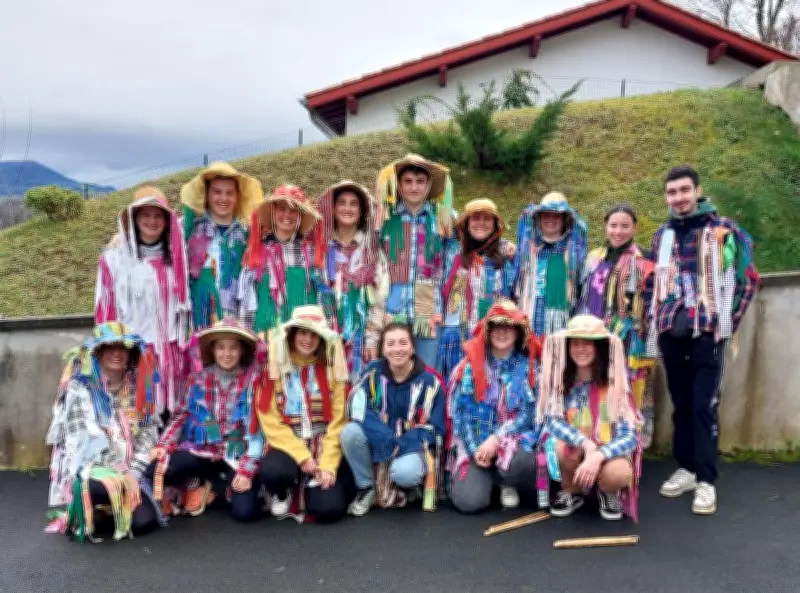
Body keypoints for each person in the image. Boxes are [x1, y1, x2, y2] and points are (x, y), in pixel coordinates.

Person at [644, 164, 759, 515]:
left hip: (707, 333)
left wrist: (726, 323)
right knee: (681, 404)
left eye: (684, 190)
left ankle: (707, 479)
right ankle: (687, 468)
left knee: (703, 405)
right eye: (671, 192)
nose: (678, 198)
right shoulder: (661, 235)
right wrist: (658, 321)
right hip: (671, 333)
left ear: (697, 190)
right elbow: (652, 282)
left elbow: (747, 279)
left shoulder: (724, 231)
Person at [44, 322, 168, 542]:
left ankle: (108, 511)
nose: (117, 353)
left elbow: (148, 431)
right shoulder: (79, 387)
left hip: (132, 469)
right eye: (109, 347)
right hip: (96, 467)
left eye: (122, 348)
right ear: (98, 352)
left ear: (130, 353)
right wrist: (122, 473)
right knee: (99, 487)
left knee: (143, 523)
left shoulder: (139, 384)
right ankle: (96, 506)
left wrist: (134, 473)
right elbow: (87, 441)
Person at [149, 317, 267, 521]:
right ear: (212, 350)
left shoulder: (253, 380)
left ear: (242, 351)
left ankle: (238, 488)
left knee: (245, 512)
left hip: (236, 453)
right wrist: (164, 444)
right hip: (203, 451)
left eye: (233, 348)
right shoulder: (198, 378)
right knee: (159, 468)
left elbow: (259, 430)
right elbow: (181, 414)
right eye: (221, 347)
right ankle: (196, 484)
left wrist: (247, 470)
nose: (227, 354)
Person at [94, 186, 191, 417]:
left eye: (158, 215)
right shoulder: (114, 260)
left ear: (168, 221)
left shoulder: (177, 260)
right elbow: (105, 312)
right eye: (145, 214)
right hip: (135, 353)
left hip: (172, 351)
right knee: (137, 416)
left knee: (171, 415)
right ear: (134, 218)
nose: (152, 221)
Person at [536, 314, 643, 522]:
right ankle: (572, 490)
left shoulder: (615, 385)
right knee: (557, 447)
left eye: (587, 343)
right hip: (576, 449)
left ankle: (607, 491)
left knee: (619, 472)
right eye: (575, 343)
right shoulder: (561, 382)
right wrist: (584, 443)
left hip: (605, 454)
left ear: (598, 348)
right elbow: (553, 421)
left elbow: (629, 436)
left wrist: (598, 455)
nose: (581, 349)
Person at [254, 305, 355, 523]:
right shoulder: (274, 369)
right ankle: (283, 490)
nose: (307, 340)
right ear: (292, 335)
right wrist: (302, 455)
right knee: (274, 473)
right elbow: (270, 421)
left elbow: (339, 422)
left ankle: (313, 489)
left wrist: (328, 463)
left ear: (321, 338)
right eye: (302, 332)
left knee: (329, 510)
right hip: (288, 444)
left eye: (314, 334)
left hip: (323, 442)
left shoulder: (333, 370)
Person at [340, 322, 447, 516]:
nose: (397, 349)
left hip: (411, 444)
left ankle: (406, 485)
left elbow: (436, 427)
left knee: (406, 473)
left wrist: (403, 443)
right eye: (390, 343)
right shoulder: (371, 374)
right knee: (350, 433)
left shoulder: (431, 382)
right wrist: (386, 437)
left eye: (402, 343)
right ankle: (367, 488)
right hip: (379, 438)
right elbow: (358, 409)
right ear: (383, 348)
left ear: (412, 347)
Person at [447, 300, 542, 514]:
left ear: (518, 333)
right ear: (488, 332)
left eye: (508, 327)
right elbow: (460, 414)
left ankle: (507, 481)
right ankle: (484, 478)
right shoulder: (468, 367)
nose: (502, 332)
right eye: (496, 327)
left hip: (510, 443)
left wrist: (497, 438)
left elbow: (528, 414)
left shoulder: (530, 368)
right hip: (478, 445)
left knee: (528, 460)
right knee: (469, 502)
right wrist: (475, 451)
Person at [577, 203, 656, 448]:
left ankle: (630, 449)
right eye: (613, 225)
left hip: (628, 342)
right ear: (605, 227)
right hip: (593, 336)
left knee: (629, 392)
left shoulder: (644, 260)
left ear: (635, 228)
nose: (618, 231)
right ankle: (597, 442)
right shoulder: (593, 258)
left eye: (624, 226)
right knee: (597, 389)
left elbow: (650, 303)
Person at [375, 153, 456, 366]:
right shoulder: (383, 217)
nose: (414, 188)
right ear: (399, 185)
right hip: (393, 309)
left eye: (420, 182)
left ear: (429, 185)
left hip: (428, 310)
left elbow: (460, 254)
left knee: (427, 371)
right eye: (408, 181)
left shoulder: (443, 218)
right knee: (393, 371)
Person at [314, 180, 389, 381]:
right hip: (325, 337)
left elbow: (379, 298)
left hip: (360, 339)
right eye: (342, 203)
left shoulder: (372, 249)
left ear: (362, 210)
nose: (347, 208)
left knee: (360, 393)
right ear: (333, 208)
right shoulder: (320, 248)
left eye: (354, 203)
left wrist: (372, 341)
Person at [438, 198, 516, 381]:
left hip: (492, 335)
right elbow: (444, 217)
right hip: (455, 336)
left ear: (495, 224)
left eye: (487, 218)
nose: (481, 223)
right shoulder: (450, 249)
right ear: (466, 223)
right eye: (475, 218)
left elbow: (512, 295)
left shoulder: (506, 257)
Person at [180, 161, 263, 331]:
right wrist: (120, 238)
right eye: (217, 192)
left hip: (234, 324)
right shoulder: (187, 230)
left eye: (229, 193)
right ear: (207, 195)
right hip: (196, 321)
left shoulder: (248, 235)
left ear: (237, 196)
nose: (223, 198)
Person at [238, 184, 328, 338]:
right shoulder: (255, 253)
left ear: (300, 215)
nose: (287, 215)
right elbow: (247, 305)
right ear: (273, 212)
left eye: (293, 210)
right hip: (266, 339)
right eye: (281, 208)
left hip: (303, 341)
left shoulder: (312, 253)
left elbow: (323, 299)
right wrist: (248, 339)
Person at [513, 191, 588, 339]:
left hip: (561, 319)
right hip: (529, 313)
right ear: (539, 218)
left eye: (556, 215)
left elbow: (579, 288)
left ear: (564, 219)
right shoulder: (527, 249)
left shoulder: (573, 253)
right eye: (546, 215)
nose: (550, 220)